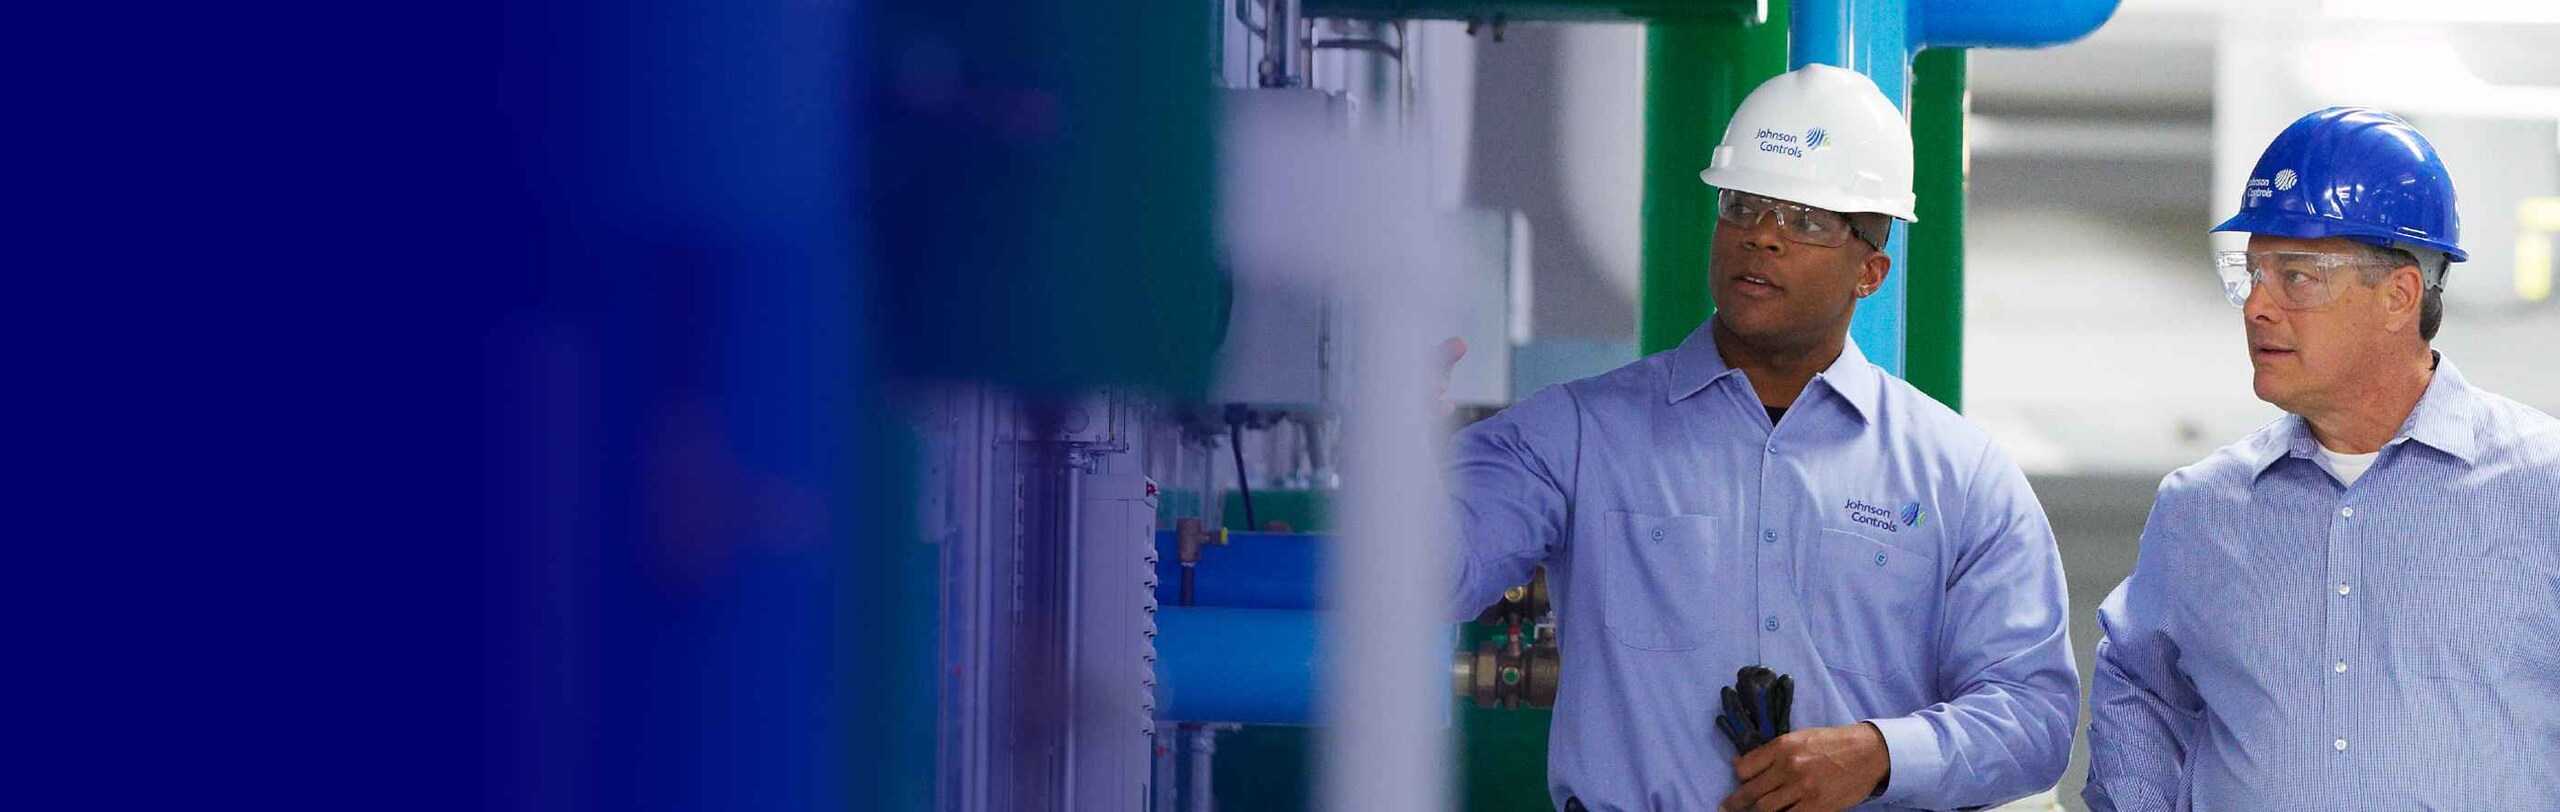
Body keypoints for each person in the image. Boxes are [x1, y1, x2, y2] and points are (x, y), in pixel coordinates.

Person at [1446, 64, 2078, 812]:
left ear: (1870, 270)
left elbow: (2035, 718)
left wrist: (1879, 755)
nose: (1764, 238)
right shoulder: (1576, 435)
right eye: (1743, 206)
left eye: (1807, 219)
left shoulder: (1961, 478)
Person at [2082, 107, 2560, 810]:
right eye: (2251, 274)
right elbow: (2139, 687)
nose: (2257, 307)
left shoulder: (2543, 490)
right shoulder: (2202, 508)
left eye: (2297, 277)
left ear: (2399, 295)